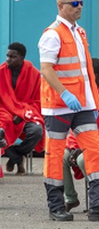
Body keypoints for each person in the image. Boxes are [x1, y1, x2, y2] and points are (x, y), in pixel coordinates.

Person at [38, 0, 99, 221]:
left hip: (82, 105)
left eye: (81, 2)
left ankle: (98, 206)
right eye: (74, 3)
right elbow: (46, 69)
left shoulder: (79, 32)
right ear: (60, 6)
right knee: (55, 155)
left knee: (95, 151)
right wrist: (65, 94)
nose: (79, 6)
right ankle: (56, 207)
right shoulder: (52, 34)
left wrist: (91, 100)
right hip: (59, 105)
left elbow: (84, 72)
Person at [63, 58, 99, 212]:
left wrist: (83, 148)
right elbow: (74, 124)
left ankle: (98, 201)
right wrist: (74, 145)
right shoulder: (82, 92)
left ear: (95, 75)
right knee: (60, 156)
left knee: (84, 160)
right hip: (81, 140)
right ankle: (71, 198)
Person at [0, 42, 44, 175]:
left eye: (12, 57)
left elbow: (38, 101)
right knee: (1, 132)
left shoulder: (34, 74)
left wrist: (22, 114)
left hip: (25, 114)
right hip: (4, 113)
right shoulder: (1, 72)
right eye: (7, 56)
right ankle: (18, 159)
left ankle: (17, 155)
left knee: (37, 131)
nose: (8, 59)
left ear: (22, 58)